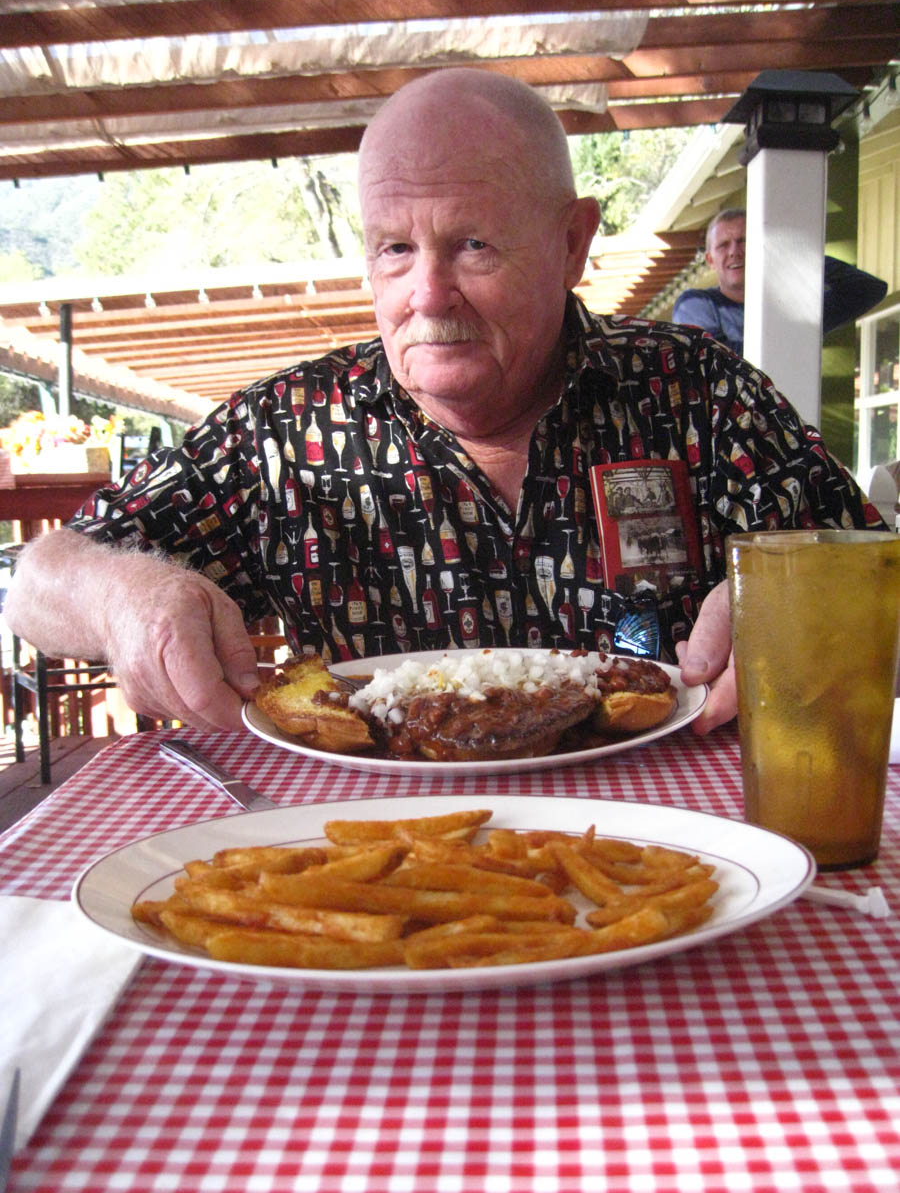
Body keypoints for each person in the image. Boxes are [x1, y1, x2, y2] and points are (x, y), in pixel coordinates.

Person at [3, 70, 884, 739]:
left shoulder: (702, 392)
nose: (427, 294)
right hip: (389, 867)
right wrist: (125, 596)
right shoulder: (286, 430)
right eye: (394, 248)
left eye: (472, 244)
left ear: (572, 242)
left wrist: (822, 613)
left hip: (690, 849)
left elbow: (879, 567)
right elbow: (37, 585)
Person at [671, 208, 887, 355]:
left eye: (744, 240)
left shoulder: (795, 305)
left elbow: (869, 289)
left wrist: (796, 257)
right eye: (723, 245)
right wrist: (793, 342)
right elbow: (714, 357)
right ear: (710, 260)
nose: (735, 252)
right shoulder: (694, 304)